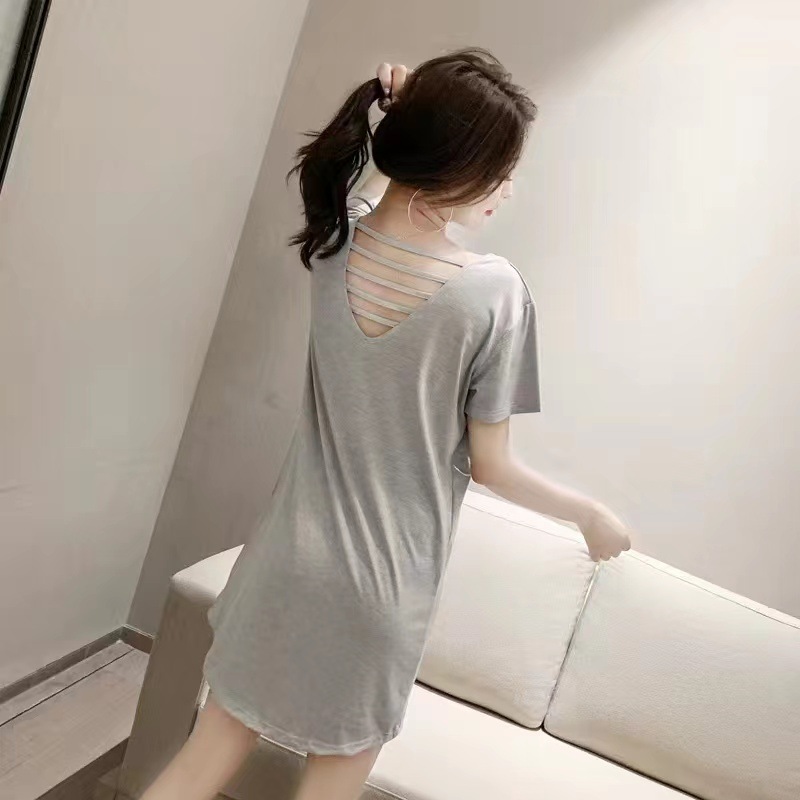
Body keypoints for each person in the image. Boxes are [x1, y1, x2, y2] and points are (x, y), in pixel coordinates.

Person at [140, 47, 631, 800]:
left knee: (201, 762)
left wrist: (398, 110)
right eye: (498, 169)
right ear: (452, 164)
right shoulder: (493, 294)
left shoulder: (337, 242)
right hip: (380, 592)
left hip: (280, 564)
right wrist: (588, 514)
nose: (506, 187)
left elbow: (367, 192)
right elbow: (493, 466)